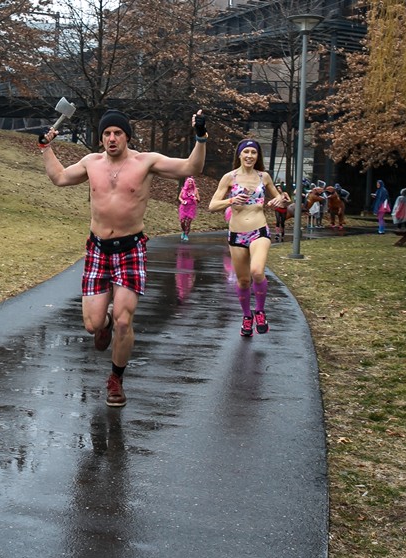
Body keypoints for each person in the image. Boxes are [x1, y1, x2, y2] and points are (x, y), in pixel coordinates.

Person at [40, 108, 207, 407]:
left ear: (127, 136)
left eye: (117, 133)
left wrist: (200, 136)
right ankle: (102, 324)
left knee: (123, 320)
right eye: (106, 133)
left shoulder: (146, 162)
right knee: (93, 324)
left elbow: (190, 167)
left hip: (130, 249)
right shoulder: (91, 162)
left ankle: (116, 379)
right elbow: (60, 178)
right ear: (101, 138)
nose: (112, 138)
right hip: (98, 249)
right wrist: (45, 148)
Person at [208, 138, 288, 338]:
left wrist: (283, 199)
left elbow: (280, 201)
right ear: (240, 154)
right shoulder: (229, 178)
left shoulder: (264, 177)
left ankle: (260, 311)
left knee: (257, 271)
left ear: (257, 156)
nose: (250, 156)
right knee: (243, 281)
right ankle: (246, 316)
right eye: (246, 152)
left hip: (259, 230)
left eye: (254, 152)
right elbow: (212, 205)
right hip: (236, 235)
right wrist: (231, 200)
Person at [177, 176, 198, 242]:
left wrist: (196, 199)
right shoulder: (183, 189)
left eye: (191, 182)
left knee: (188, 222)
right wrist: (182, 201)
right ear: (186, 183)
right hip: (183, 207)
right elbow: (179, 197)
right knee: (182, 221)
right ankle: (184, 231)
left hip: (191, 207)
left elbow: (199, 199)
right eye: (189, 182)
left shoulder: (195, 190)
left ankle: (186, 235)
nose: (190, 183)